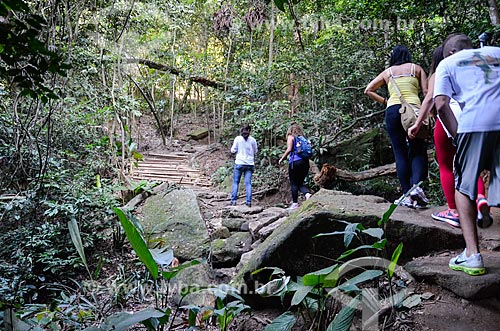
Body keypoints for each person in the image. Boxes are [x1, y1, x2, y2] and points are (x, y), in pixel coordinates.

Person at [434, 33, 500, 275]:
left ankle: (472, 255)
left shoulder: (448, 63)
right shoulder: (496, 52)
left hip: (474, 124)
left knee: (463, 185)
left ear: (450, 52)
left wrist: (457, 136)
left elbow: (441, 104)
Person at [408, 46, 492, 229]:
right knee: (470, 163)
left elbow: (431, 98)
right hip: (471, 118)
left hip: (448, 118)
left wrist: (417, 122)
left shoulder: (442, 70)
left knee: (446, 166)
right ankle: (480, 199)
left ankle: (453, 211)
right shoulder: (472, 69)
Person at [365, 45, 429, 208]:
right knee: (418, 150)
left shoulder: (388, 72)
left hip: (393, 110)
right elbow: (427, 92)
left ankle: (406, 194)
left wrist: (386, 102)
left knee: (399, 151)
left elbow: (369, 90)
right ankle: (417, 189)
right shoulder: (417, 68)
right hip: (414, 111)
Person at [278, 124, 312, 210]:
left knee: (293, 183)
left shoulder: (291, 136)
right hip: (305, 162)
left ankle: (295, 204)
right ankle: (307, 194)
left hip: (295, 162)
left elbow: (289, 149)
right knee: (300, 182)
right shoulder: (303, 138)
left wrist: (282, 158)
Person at [230, 124, 258, 207]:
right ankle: (248, 202)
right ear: (249, 131)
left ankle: (233, 201)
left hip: (239, 163)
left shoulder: (238, 139)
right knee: (248, 183)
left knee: (236, 182)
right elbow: (256, 151)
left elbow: (233, 150)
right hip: (249, 164)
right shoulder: (253, 140)